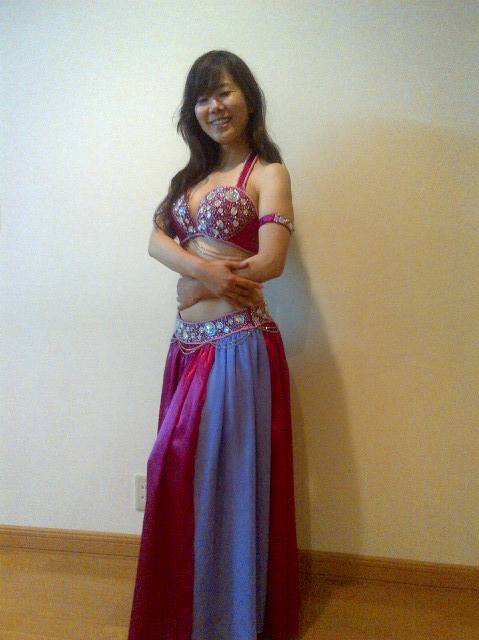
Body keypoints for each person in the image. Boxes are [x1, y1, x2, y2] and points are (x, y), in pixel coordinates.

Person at [128, 50, 299, 640]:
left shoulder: (268, 172)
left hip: (238, 345)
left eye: (224, 92)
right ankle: (192, 609)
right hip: (187, 346)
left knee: (227, 479)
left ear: (247, 97)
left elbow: (271, 262)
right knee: (179, 471)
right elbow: (155, 240)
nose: (214, 106)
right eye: (202, 97)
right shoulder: (190, 180)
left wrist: (203, 283)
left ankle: (232, 617)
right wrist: (200, 273)